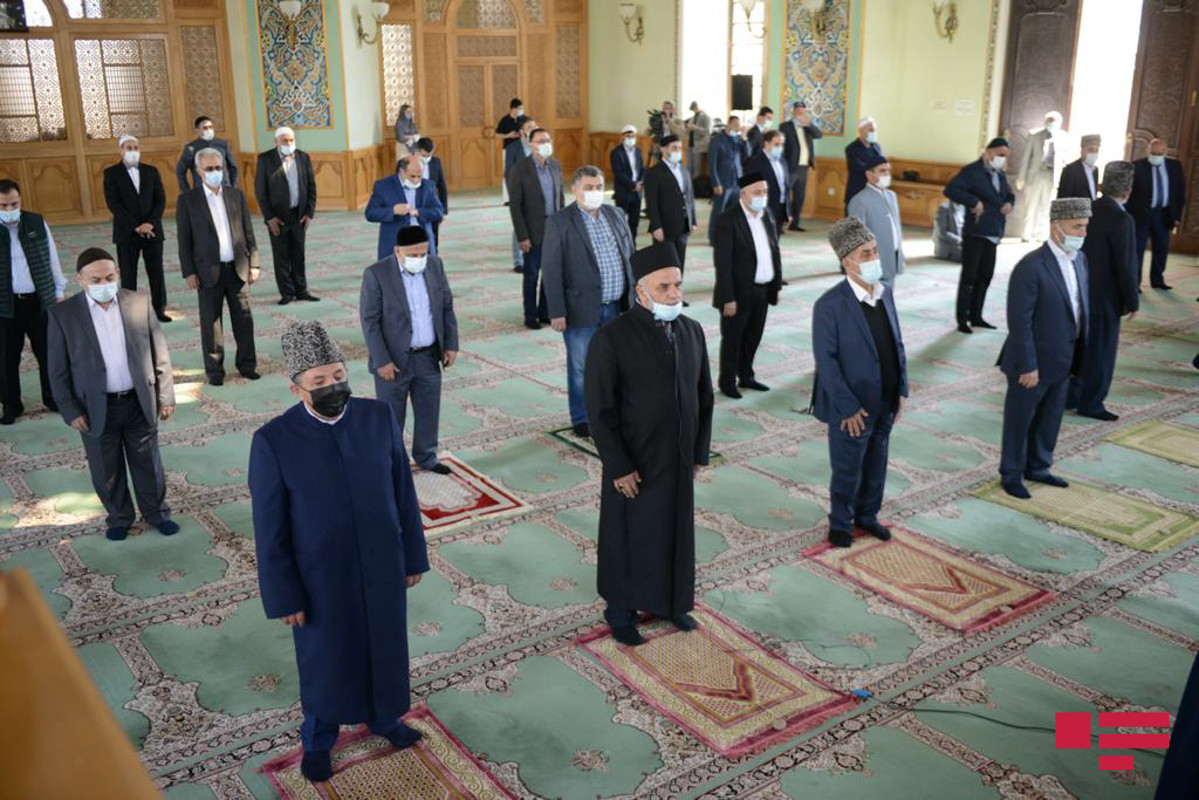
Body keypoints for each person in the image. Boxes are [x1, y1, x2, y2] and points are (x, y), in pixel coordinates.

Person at [249, 320, 429, 784]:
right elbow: (269, 528)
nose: (332, 386)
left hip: (382, 562)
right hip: (321, 577)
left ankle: (385, 718)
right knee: (327, 658)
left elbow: (402, 491)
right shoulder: (273, 441)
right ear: (296, 388)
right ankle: (318, 739)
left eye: (338, 376)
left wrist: (412, 556)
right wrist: (285, 594)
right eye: (319, 381)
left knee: (386, 646)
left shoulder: (377, 417)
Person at [583, 242, 713, 646]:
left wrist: (698, 452)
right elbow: (600, 412)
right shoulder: (612, 338)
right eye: (664, 288)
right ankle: (621, 611)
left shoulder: (691, 331)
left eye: (678, 285)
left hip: (678, 456)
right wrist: (619, 465)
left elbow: (704, 396)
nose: (674, 295)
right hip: (635, 460)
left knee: (674, 532)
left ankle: (671, 602)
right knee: (629, 535)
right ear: (641, 291)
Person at [46, 248, 177, 542]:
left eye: (109, 277)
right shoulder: (63, 315)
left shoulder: (138, 302)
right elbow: (57, 370)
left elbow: (159, 351)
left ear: (117, 273)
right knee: (106, 468)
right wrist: (70, 410)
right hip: (93, 407)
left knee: (148, 462)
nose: (104, 284)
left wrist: (166, 396)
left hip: (138, 400)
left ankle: (157, 513)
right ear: (80, 280)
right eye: (96, 280)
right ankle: (119, 517)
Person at [812, 217, 907, 548]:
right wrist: (848, 407)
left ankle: (868, 515)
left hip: (885, 399)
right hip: (853, 406)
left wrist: (901, 390)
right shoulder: (829, 305)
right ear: (847, 261)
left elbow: (897, 343)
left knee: (876, 463)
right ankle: (841, 523)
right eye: (866, 254)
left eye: (875, 251)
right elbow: (827, 363)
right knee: (848, 468)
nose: (874, 258)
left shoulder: (885, 293)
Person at [996, 198, 1091, 499]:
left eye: (1085, 227)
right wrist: (1028, 365)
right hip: (1032, 362)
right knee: (1020, 420)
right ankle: (1012, 473)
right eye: (1077, 227)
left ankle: (1038, 466)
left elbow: (1079, 308)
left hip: (1064, 356)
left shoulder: (1080, 260)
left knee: (1050, 417)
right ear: (1056, 228)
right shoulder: (1031, 266)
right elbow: (1019, 322)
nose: (1082, 233)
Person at [542, 165, 635, 437]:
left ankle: (612, 411)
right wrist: (556, 311)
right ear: (575, 189)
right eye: (588, 188)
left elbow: (630, 255)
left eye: (598, 187)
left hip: (618, 307)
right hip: (580, 310)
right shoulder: (560, 222)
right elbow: (551, 270)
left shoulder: (616, 214)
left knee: (616, 364)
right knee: (581, 367)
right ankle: (582, 417)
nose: (595, 192)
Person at [360, 225, 458, 475]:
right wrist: (381, 360)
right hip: (393, 361)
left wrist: (450, 344)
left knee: (428, 411)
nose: (419, 259)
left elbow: (446, 307)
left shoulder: (435, 266)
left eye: (423, 254)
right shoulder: (376, 274)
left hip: (428, 356)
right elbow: (370, 321)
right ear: (397, 251)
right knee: (391, 417)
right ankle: (392, 463)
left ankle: (427, 456)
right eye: (413, 255)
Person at [176, 147, 260, 386]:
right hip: (207, 272)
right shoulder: (188, 201)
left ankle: (247, 365)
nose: (215, 172)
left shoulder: (236, 195)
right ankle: (215, 371)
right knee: (211, 324)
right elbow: (184, 241)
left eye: (218, 168)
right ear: (199, 171)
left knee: (244, 320)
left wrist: (254, 263)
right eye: (209, 168)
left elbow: (248, 232)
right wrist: (189, 272)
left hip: (237, 268)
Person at [1067, 161, 1137, 421]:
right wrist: (1132, 300)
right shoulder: (1122, 219)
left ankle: (1070, 397)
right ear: (1127, 191)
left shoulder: (1085, 209)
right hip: (1104, 299)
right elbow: (1125, 265)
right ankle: (1092, 404)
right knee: (1101, 354)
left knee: (1078, 347)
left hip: (1077, 290)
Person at [0, 178, 66, 425]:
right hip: (6, 306)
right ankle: (11, 405)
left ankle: (53, 398)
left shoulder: (36, 222)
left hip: (39, 301)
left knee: (48, 353)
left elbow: (52, 258)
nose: (10, 209)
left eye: (14, 204)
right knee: (7, 358)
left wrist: (58, 291)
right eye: (3, 206)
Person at [712, 173, 781, 399]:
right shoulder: (728, 219)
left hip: (763, 289)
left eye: (765, 192)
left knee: (753, 336)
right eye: (757, 192)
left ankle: (746, 375)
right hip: (738, 292)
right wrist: (728, 297)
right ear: (743, 194)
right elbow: (722, 263)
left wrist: (775, 286)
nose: (763, 196)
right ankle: (727, 381)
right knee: (733, 339)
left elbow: (774, 251)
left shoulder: (767, 215)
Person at [944, 137, 1015, 334]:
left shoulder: (1000, 173)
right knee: (969, 277)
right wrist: (973, 201)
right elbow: (950, 190)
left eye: (1006, 156)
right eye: (1000, 155)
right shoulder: (972, 171)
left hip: (994, 231)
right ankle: (962, 320)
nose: (1003, 159)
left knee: (984, 276)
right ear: (989, 152)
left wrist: (1010, 203)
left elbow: (1009, 195)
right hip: (975, 231)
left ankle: (976, 316)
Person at [104, 135, 169, 323]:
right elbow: (114, 204)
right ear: (120, 150)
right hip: (127, 232)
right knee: (128, 274)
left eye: (135, 147)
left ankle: (159, 309)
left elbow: (160, 199)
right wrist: (136, 226)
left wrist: (150, 223)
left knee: (156, 273)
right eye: (128, 147)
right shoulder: (111, 173)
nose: (132, 151)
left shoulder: (151, 171)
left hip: (152, 231)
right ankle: (130, 311)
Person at [507, 127, 563, 329]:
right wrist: (522, 236)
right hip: (532, 231)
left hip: (554, 230)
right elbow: (515, 206)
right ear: (531, 144)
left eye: (548, 140)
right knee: (531, 275)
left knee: (550, 274)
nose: (546, 144)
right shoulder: (520, 169)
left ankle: (545, 312)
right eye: (541, 141)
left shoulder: (555, 165)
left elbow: (560, 198)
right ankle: (530, 316)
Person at [255, 127, 318, 306]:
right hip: (278, 217)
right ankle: (287, 292)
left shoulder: (303, 157)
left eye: (291, 140)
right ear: (276, 142)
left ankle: (301, 290)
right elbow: (260, 191)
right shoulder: (265, 160)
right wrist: (269, 217)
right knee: (281, 256)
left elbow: (311, 187)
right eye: (285, 141)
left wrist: (309, 213)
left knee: (299, 254)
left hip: (299, 215)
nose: (289, 143)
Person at [1128, 138, 1186, 291]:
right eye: (1153, 153)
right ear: (1148, 150)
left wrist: (1177, 216)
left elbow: (1180, 193)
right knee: (1137, 249)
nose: (1156, 156)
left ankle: (1158, 280)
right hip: (1141, 215)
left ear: (1165, 152)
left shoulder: (1175, 167)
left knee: (1161, 248)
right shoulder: (1137, 166)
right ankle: (1135, 283)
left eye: (1159, 154)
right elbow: (1129, 194)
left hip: (1164, 215)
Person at [365, 156, 445, 262]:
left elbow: (439, 212)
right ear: (402, 171)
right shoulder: (383, 186)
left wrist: (418, 212)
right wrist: (393, 210)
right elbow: (370, 213)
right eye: (412, 176)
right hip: (395, 242)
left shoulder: (428, 186)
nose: (416, 180)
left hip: (422, 241)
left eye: (419, 176)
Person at [847, 152, 905, 288]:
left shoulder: (892, 196)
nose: (887, 174)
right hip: (873, 261)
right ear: (869, 174)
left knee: (888, 293)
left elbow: (896, 227)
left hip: (893, 255)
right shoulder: (859, 200)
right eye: (882, 171)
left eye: (888, 171)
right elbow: (856, 237)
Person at [643, 135, 697, 278]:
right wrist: (656, 226)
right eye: (674, 148)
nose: (678, 151)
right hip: (665, 226)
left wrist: (693, 220)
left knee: (679, 260)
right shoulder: (654, 172)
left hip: (683, 224)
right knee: (664, 262)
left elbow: (690, 196)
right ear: (663, 149)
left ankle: (677, 288)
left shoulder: (684, 170)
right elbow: (651, 203)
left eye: (680, 148)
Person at [1014, 111, 1063, 243]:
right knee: (1031, 206)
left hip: (1052, 176)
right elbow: (1026, 158)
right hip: (1035, 175)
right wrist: (1021, 177)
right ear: (1045, 122)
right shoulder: (1034, 135)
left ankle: (1041, 234)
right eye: (1049, 121)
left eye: (1053, 121)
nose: (1051, 124)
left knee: (1046, 207)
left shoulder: (1064, 137)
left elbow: (1064, 159)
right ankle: (1026, 234)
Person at [779, 100, 823, 232]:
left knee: (799, 197)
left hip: (804, 167)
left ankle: (794, 224)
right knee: (785, 196)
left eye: (803, 113)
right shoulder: (785, 126)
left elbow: (819, 135)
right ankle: (781, 224)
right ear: (793, 112)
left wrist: (808, 124)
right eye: (798, 112)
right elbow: (782, 146)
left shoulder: (808, 127)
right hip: (790, 167)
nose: (801, 115)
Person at [504, 116, 537, 273]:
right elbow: (509, 173)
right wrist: (513, 195)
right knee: (519, 225)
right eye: (529, 127)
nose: (533, 129)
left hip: (538, 192)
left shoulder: (540, 145)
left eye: (534, 126)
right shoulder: (513, 148)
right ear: (522, 131)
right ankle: (518, 261)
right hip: (521, 192)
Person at [707, 116, 745, 246]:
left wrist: (744, 139)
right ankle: (713, 237)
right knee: (719, 211)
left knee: (734, 212)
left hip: (737, 181)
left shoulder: (738, 139)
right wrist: (715, 183)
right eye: (735, 125)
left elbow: (748, 154)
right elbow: (712, 163)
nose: (737, 128)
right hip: (723, 182)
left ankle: (729, 236)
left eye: (739, 125)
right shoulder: (717, 140)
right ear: (728, 124)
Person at [176, 116, 237, 191]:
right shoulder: (191, 148)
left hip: (224, 187)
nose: (209, 130)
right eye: (205, 128)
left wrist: (233, 187)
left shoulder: (223, 144)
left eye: (211, 127)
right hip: (201, 190)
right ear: (197, 130)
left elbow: (233, 167)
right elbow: (180, 171)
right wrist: (186, 192)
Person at [745, 130, 789, 232]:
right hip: (763, 207)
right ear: (766, 144)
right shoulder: (755, 162)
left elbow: (785, 186)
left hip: (780, 205)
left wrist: (788, 211)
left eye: (782, 145)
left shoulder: (782, 161)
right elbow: (749, 188)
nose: (780, 148)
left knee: (775, 236)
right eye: (776, 144)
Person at [610, 125, 644, 241]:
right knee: (621, 222)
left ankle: (632, 245)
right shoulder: (616, 152)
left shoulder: (638, 151)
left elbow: (642, 168)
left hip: (637, 193)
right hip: (623, 192)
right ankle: (621, 244)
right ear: (622, 137)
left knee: (634, 222)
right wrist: (632, 185)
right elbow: (618, 173)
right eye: (628, 136)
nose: (631, 138)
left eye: (633, 136)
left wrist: (640, 183)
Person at [415, 138, 448, 249]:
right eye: (424, 156)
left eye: (429, 155)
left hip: (432, 204)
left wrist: (444, 210)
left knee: (434, 236)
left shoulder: (436, 162)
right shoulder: (406, 163)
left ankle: (434, 255)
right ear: (417, 151)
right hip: (415, 204)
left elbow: (442, 186)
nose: (427, 159)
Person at [844, 116, 882, 211]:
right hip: (857, 191)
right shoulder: (852, 148)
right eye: (870, 130)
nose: (873, 132)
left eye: (874, 130)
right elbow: (858, 168)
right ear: (860, 131)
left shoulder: (876, 147)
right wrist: (875, 167)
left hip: (874, 191)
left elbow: (881, 165)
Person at [495, 98, 524, 205]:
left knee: (521, 172)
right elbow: (497, 135)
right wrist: (508, 135)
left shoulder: (522, 119)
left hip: (521, 148)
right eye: (519, 108)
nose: (521, 110)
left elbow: (530, 129)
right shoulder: (505, 120)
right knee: (508, 173)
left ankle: (521, 197)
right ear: (513, 109)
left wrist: (522, 133)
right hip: (508, 149)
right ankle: (507, 199)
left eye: (522, 108)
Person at [1057, 134, 1102, 201]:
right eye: (1090, 150)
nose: (1094, 153)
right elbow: (1063, 199)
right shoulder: (1070, 170)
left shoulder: (1095, 171)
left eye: (1096, 150)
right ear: (1082, 150)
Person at [646, 100, 686, 165]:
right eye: (665, 108)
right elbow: (647, 133)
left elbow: (679, 133)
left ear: (673, 110)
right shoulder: (658, 119)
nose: (667, 110)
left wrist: (669, 120)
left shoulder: (678, 121)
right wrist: (652, 127)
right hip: (659, 148)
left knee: (672, 167)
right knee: (657, 167)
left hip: (673, 148)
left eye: (669, 108)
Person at [684, 101, 711, 179]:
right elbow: (687, 131)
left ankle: (696, 184)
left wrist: (695, 128)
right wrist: (688, 128)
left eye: (694, 108)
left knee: (697, 168)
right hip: (690, 144)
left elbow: (706, 132)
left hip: (699, 146)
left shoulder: (706, 117)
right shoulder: (692, 118)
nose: (694, 110)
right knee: (688, 167)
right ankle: (689, 184)